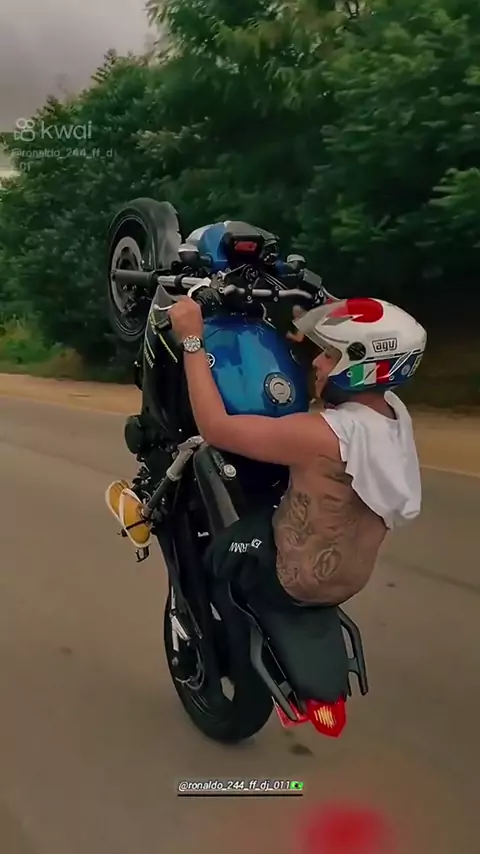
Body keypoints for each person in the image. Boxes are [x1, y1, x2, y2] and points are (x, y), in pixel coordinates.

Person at [106, 295, 426, 607]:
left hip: (289, 581)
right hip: (346, 581)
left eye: (330, 355)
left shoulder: (321, 436)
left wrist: (192, 339)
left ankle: (196, 609)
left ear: (362, 368)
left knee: (205, 468)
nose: (317, 361)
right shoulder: (392, 416)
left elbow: (215, 427)